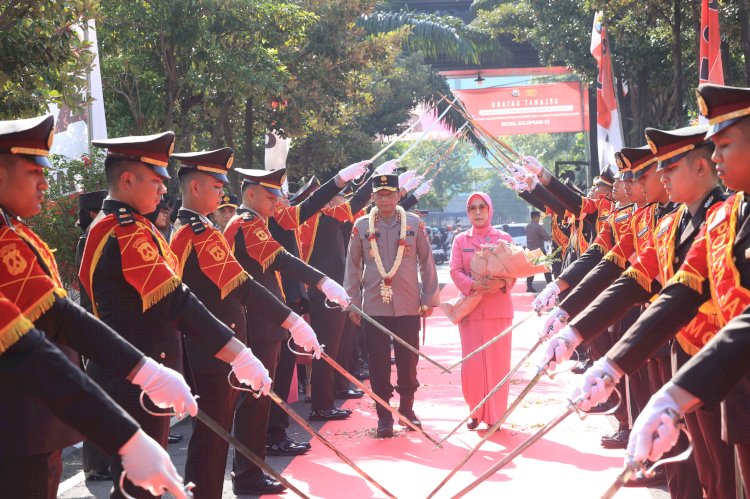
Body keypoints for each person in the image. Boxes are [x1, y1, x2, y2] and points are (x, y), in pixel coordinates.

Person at [79, 131, 272, 498]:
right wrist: (238, 352)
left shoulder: (125, 227)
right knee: (140, 487)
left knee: (141, 482)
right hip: (138, 376)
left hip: (140, 372)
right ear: (126, 179)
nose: (163, 188)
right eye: (156, 179)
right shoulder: (126, 232)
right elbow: (176, 301)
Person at [168, 148, 321, 499]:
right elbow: (239, 284)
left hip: (225, 340)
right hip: (215, 346)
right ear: (194, 188)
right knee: (212, 435)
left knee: (218, 432)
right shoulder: (195, 231)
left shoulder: (204, 228)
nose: (223, 191)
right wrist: (294, 316)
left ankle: (224, 486)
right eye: (217, 184)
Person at [224, 165, 358, 495]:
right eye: (272, 197)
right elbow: (281, 259)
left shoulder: (259, 221)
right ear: (251, 194)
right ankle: (247, 474)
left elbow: (301, 213)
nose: (277, 203)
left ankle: (258, 460)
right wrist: (323, 281)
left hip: (269, 320)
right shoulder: (246, 224)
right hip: (256, 323)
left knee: (265, 396)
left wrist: (339, 182)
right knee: (255, 402)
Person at [345, 173, 440, 438]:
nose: (385, 199)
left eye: (390, 194)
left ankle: (407, 410)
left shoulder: (413, 223)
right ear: (372, 197)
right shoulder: (362, 226)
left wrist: (429, 299)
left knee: (408, 360)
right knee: (377, 363)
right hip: (374, 307)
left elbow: (426, 262)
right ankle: (384, 416)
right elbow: (352, 267)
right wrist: (352, 304)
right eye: (379, 194)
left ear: (399, 195)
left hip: (409, 304)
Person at [449, 192, 515, 430]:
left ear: (490, 210)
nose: (477, 212)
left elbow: (515, 269)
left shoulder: (504, 237)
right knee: (473, 366)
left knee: (498, 365)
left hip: (498, 310)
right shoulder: (460, 240)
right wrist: (472, 285)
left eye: (482, 207)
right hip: (471, 311)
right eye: (472, 208)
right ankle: (475, 412)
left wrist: (502, 283)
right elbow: (455, 270)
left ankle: (496, 415)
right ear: (468, 213)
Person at [524, 210, 552, 292]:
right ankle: (550, 285)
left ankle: (529, 287)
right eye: (539, 217)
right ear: (536, 217)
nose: (539, 218)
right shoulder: (539, 227)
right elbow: (546, 236)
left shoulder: (527, 227)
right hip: (539, 250)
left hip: (530, 250)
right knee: (546, 268)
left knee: (531, 269)